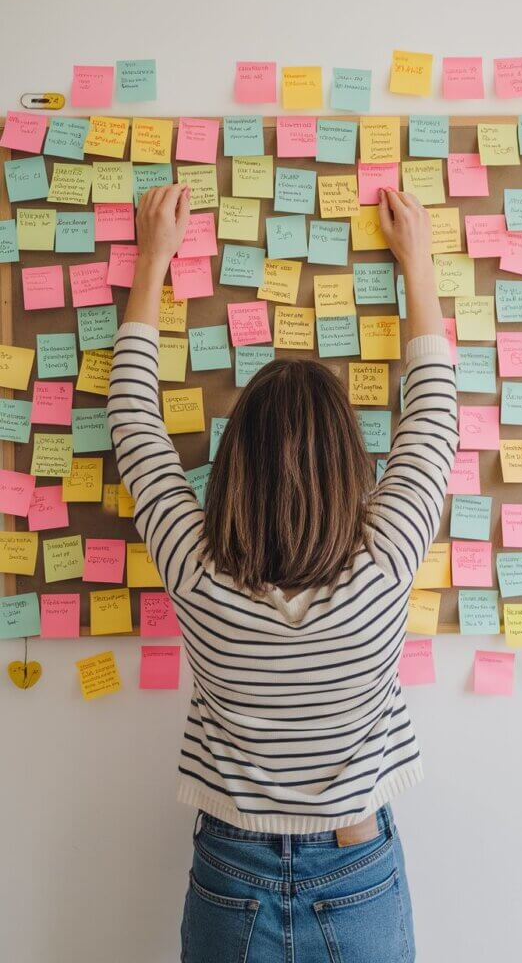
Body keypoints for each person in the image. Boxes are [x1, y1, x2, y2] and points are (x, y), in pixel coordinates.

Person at [106, 183, 459, 963]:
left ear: (232, 467)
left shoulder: (198, 574)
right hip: (357, 858)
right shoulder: (385, 564)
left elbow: (131, 421)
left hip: (232, 865)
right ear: (349, 470)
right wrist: (419, 270)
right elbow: (433, 417)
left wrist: (152, 262)